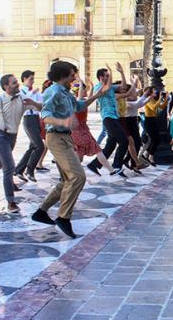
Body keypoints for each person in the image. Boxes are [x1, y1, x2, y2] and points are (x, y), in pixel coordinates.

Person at [32, 61, 105, 238]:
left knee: (67, 180)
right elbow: (46, 115)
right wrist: (63, 122)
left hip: (65, 137)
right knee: (78, 176)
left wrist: (96, 95)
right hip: (56, 137)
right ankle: (63, 217)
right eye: (72, 74)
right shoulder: (53, 91)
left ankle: (41, 212)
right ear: (63, 75)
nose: (74, 77)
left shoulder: (65, 92)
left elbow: (79, 106)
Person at [0, 74, 42, 213]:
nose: (17, 85)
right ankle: (11, 202)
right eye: (14, 83)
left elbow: (40, 108)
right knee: (9, 166)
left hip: (11, 137)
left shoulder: (22, 99)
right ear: (6, 87)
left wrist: (33, 102)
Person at [86, 63, 130, 177]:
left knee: (111, 144)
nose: (108, 77)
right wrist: (111, 71)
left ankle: (94, 165)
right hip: (108, 118)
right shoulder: (98, 87)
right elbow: (107, 88)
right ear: (101, 77)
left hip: (114, 118)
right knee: (124, 141)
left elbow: (124, 87)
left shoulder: (110, 87)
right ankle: (117, 166)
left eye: (108, 75)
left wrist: (121, 72)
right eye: (106, 75)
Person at [70, 76, 115, 175]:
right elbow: (81, 95)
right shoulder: (77, 102)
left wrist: (91, 86)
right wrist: (81, 82)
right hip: (79, 130)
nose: (86, 92)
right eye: (84, 91)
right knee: (97, 149)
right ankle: (111, 170)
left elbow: (91, 96)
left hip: (81, 129)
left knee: (79, 156)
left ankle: (69, 173)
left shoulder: (82, 102)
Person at [14, 70, 44, 183]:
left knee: (32, 147)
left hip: (36, 119)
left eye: (33, 79)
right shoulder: (21, 91)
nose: (33, 81)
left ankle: (18, 170)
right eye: (31, 79)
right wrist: (33, 95)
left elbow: (41, 103)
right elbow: (26, 102)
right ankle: (29, 170)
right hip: (28, 119)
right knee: (39, 146)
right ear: (24, 79)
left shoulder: (35, 92)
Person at [141, 87, 168, 165]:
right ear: (150, 93)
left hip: (153, 120)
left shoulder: (152, 100)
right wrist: (160, 98)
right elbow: (154, 108)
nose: (155, 92)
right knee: (155, 139)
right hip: (149, 121)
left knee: (156, 139)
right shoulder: (148, 100)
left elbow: (160, 109)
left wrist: (165, 99)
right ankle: (149, 156)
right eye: (154, 91)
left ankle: (146, 155)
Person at [36, 80, 54, 172]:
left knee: (47, 144)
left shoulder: (44, 96)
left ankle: (39, 162)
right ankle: (38, 163)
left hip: (44, 120)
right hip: (47, 121)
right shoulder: (48, 96)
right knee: (47, 144)